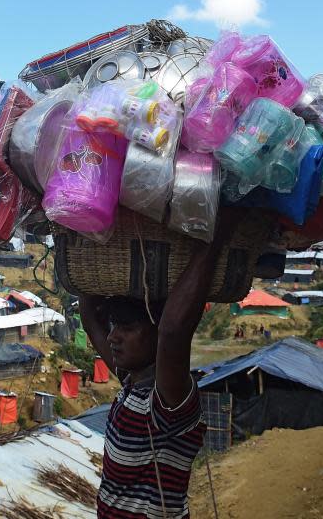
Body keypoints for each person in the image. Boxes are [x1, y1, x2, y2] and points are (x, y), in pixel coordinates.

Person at [80, 212, 238, 518]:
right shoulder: (130, 381)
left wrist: (216, 234)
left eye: (126, 326)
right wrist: (89, 228)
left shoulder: (168, 403)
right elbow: (89, 318)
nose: (112, 337)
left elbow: (174, 332)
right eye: (114, 325)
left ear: (156, 329)